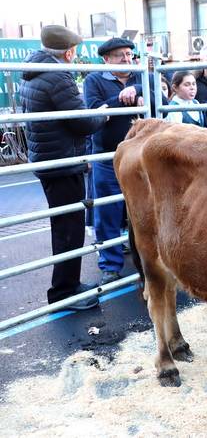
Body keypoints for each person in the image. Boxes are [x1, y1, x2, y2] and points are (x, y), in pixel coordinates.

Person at [19, 25, 107, 310]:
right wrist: (101, 116)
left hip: (48, 159)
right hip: (62, 162)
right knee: (69, 228)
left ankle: (69, 285)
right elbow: (80, 121)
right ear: (69, 52)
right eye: (76, 52)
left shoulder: (34, 74)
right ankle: (64, 292)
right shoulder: (57, 77)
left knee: (64, 226)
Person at [83, 37, 165, 285]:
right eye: (120, 56)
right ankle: (110, 264)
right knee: (108, 210)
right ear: (106, 59)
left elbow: (163, 99)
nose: (128, 60)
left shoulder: (142, 76)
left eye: (130, 55)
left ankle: (152, 258)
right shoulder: (93, 80)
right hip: (109, 156)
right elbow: (95, 110)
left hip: (143, 157)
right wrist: (122, 97)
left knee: (148, 209)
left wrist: (139, 90)